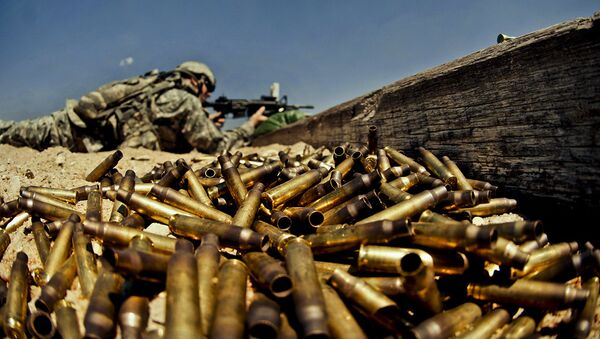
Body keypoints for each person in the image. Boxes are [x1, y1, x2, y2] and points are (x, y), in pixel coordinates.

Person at [0, 61, 267, 153]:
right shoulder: (184, 100)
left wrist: (207, 122)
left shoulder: (155, 89)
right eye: (208, 88)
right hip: (79, 138)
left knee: (12, 131)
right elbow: (216, 146)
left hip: (69, 124)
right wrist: (250, 125)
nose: (207, 95)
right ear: (195, 81)